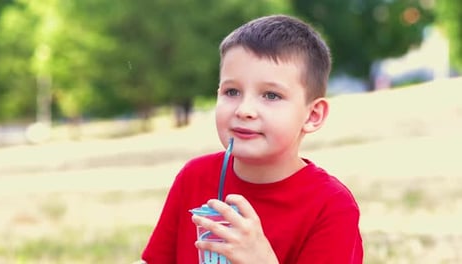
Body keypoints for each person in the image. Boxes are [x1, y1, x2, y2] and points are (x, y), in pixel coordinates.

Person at [141, 14, 363, 264]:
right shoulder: (194, 177)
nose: (244, 110)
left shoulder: (331, 206)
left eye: (271, 95)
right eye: (231, 91)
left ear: (312, 115)